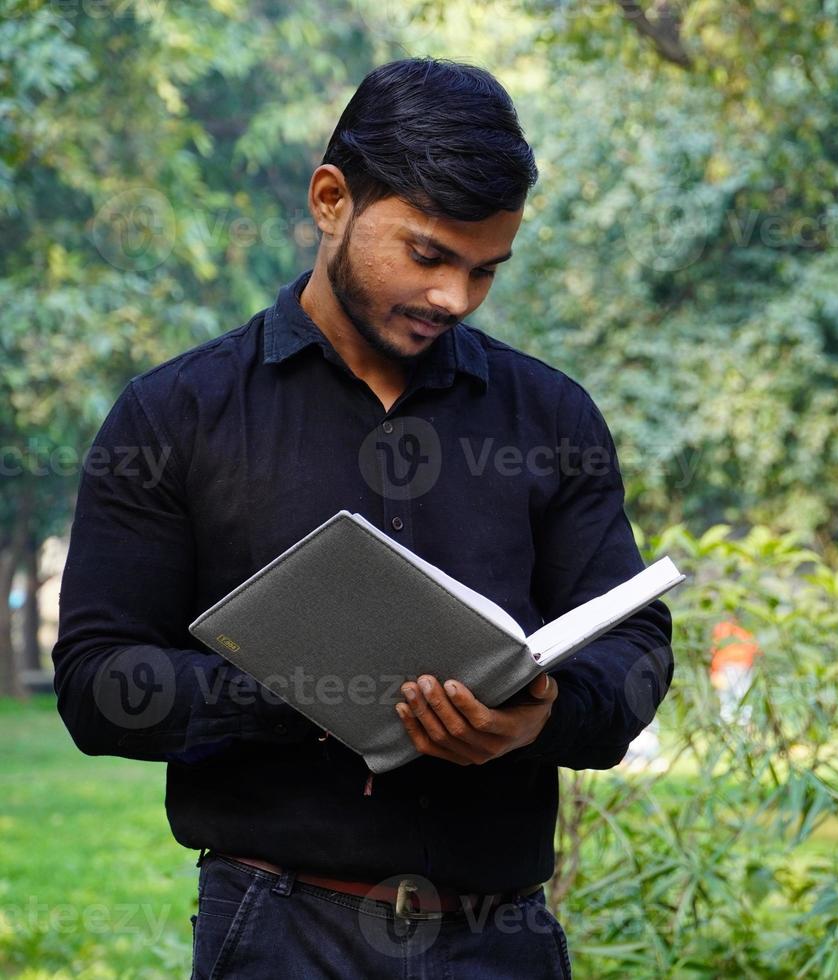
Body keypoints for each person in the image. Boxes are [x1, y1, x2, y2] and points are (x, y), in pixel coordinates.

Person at [51, 58, 674, 978]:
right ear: (331, 199)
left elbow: (637, 652)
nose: (453, 299)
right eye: (428, 255)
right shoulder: (175, 416)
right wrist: (306, 693)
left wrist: (535, 720)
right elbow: (97, 684)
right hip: (278, 930)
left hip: (504, 939)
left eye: (485, 271)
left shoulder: (551, 418)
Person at [709, 618, 760, 725]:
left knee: (729, 697)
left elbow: (714, 650)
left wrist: (714, 670)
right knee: (739, 696)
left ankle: (731, 725)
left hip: (733, 666)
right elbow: (755, 648)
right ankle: (740, 724)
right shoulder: (741, 631)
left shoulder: (723, 630)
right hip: (738, 666)